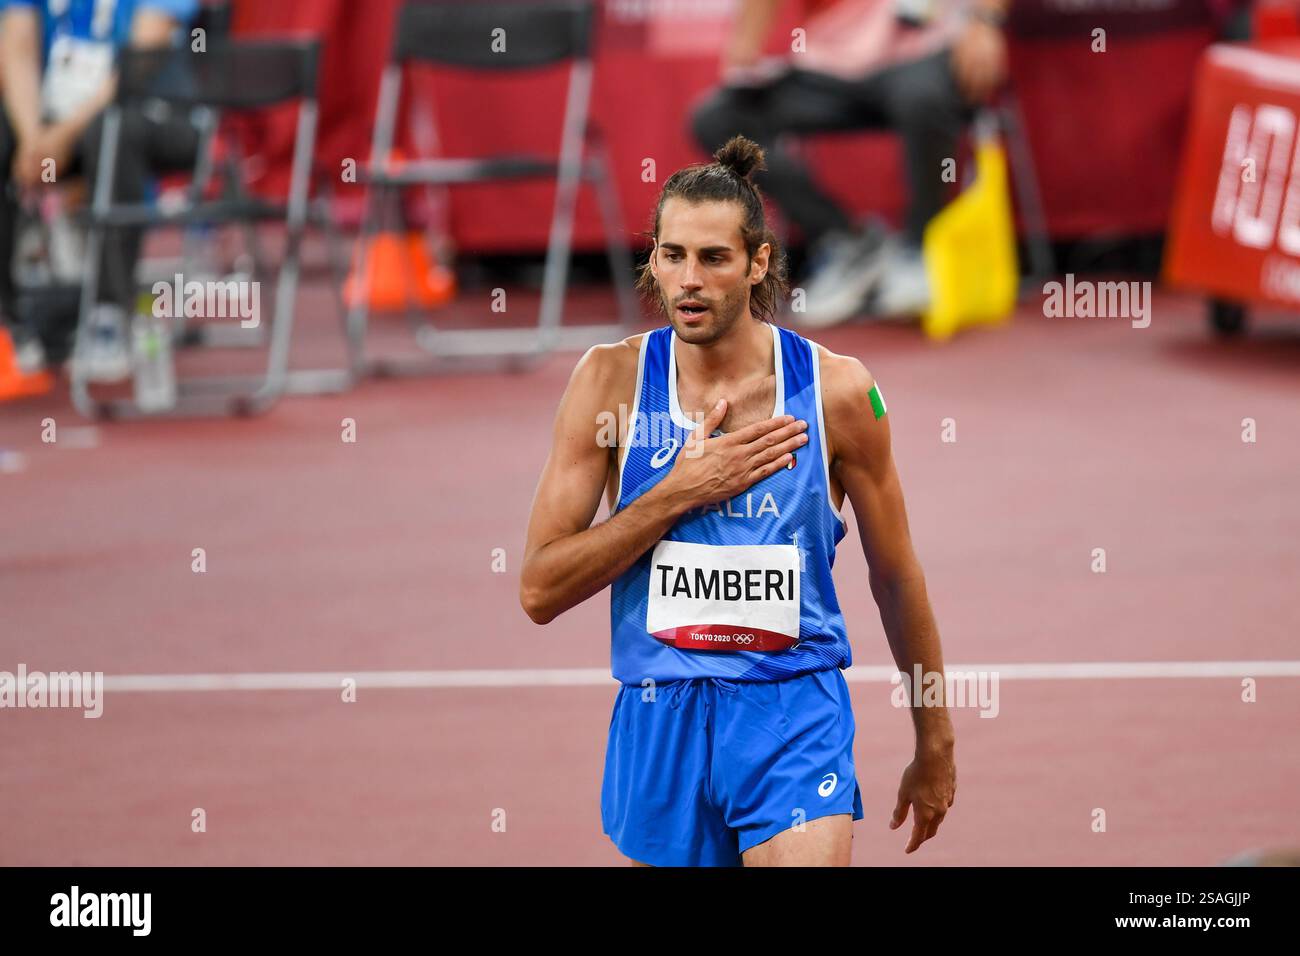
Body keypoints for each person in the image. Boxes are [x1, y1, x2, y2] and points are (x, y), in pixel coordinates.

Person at [520, 135, 955, 866]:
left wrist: (934, 738)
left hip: (793, 709)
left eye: (714, 258)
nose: (688, 280)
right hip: (659, 714)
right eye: (672, 255)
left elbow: (896, 575)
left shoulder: (839, 392)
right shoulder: (609, 384)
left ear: (758, 263)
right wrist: (676, 494)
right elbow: (540, 588)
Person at [691, 0, 1010, 327]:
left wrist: (984, 20)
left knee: (923, 99)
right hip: (828, 65)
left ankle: (919, 251)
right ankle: (849, 242)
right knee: (719, 118)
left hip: (923, 51)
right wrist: (744, 46)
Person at [0, 0, 200, 380]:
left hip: (149, 111)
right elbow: (17, 45)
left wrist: (61, 136)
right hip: (55, 118)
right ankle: (8, 322)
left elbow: (139, 61)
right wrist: (33, 139)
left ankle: (109, 315)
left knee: (112, 132)